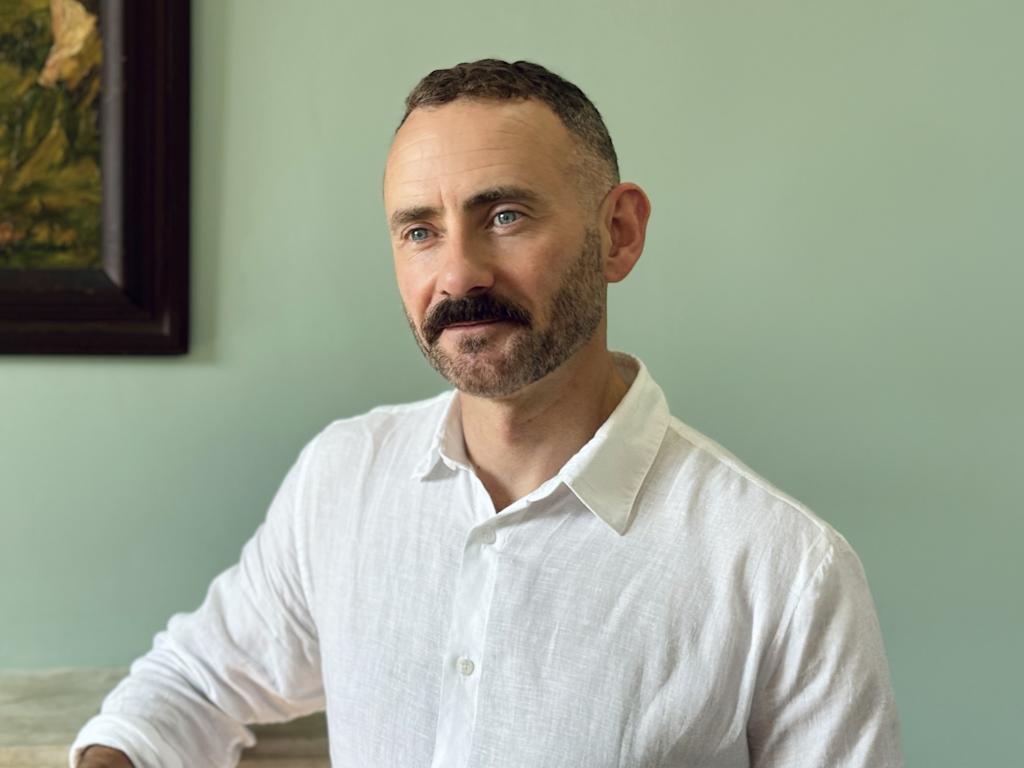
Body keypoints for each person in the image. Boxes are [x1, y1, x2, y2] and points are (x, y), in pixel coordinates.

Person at [71, 59, 903, 768]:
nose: (459, 274)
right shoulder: (343, 476)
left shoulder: (789, 574)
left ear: (618, 233)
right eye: (419, 231)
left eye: (504, 216)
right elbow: (192, 685)